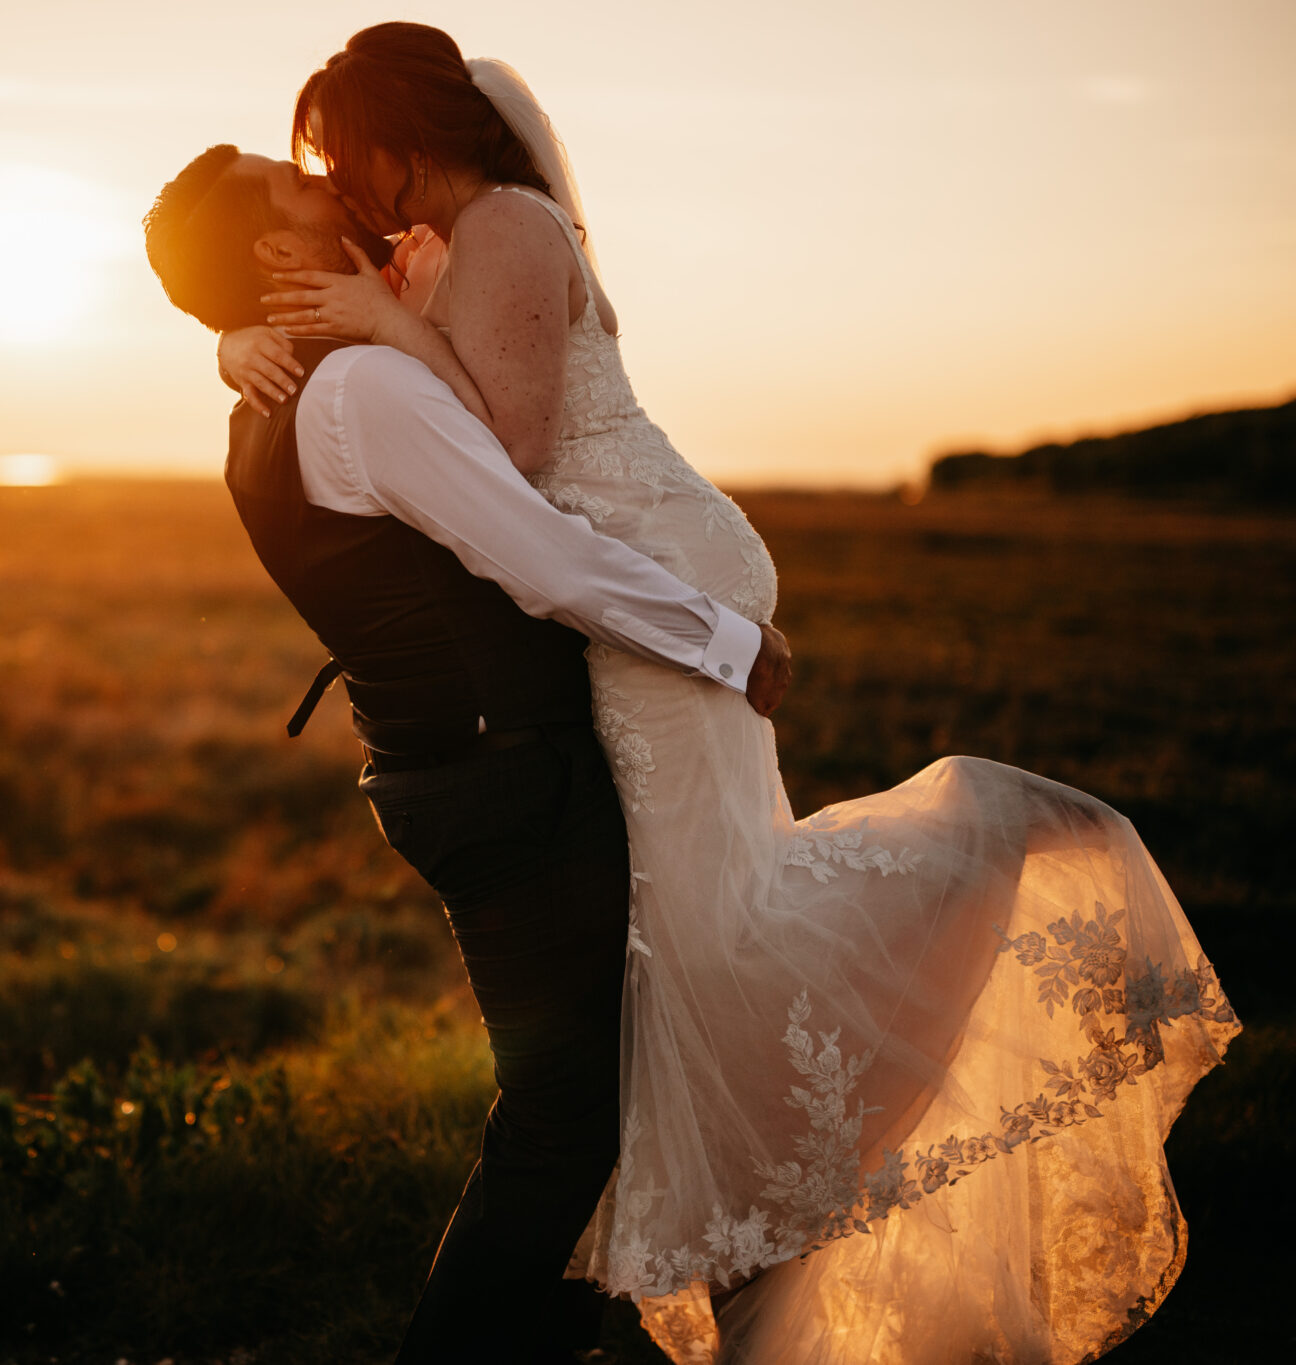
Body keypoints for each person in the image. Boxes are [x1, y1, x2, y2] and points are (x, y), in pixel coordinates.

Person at [232, 22, 1241, 1364]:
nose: (339, 182)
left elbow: (510, 449)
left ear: (405, 140)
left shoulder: (507, 226)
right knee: (689, 950)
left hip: (651, 585)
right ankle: (732, 1239)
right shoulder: (430, 254)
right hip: (627, 599)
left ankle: (959, 895)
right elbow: (363, 380)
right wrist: (249, 334)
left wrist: (376, 324)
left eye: (343, 153)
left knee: (716, 941)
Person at [144, 145, 793, 1364]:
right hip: (508, 781)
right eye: (294, 187)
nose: (324, 181)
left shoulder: (267, 400)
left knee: (582, 1096)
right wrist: (720, 640)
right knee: (564, 1114)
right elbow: (538, 556)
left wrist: (232, 336)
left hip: (448, 774)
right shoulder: (361, 391)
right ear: (277, 254)